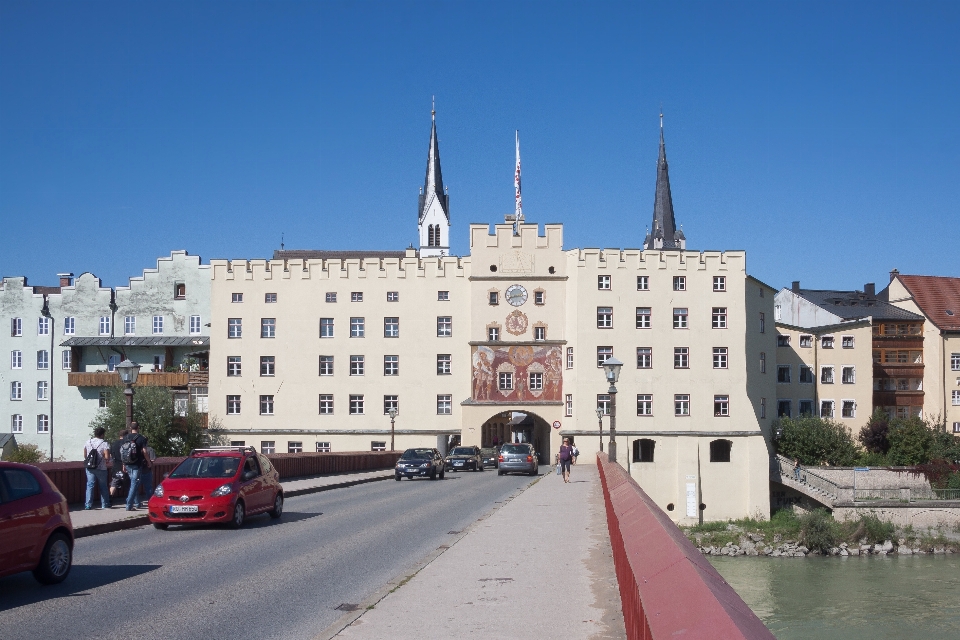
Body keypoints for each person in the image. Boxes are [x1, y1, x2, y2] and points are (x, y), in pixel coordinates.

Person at [121, 422, 152, 511]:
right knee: (134, 484)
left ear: (130, 428)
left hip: (127, 464)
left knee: (133, 484)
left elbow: (123, 452)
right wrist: (148, 461)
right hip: (137, 464)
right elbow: (145, 451)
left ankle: (137, 503)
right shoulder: (141, 438)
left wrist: (123, 464)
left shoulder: (125, 437)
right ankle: (129, 505)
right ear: (138, 427)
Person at [83, 427, 112, 510]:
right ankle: (105, 504)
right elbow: (107, 457)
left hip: (89, 467)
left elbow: (85, 455)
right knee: (103, 486)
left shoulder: (88, 442)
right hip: (101, 468)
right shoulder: (104, 443)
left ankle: (88, 504)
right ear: (102, 434)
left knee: (90, 485)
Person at [109, 429, 129, 498]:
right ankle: (131, 500)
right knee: (128, 483)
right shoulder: (126, 443)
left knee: (114, 481)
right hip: (125, 465)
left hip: (116, 465)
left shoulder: (114, 444)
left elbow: (110, 455)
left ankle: (110, 497)